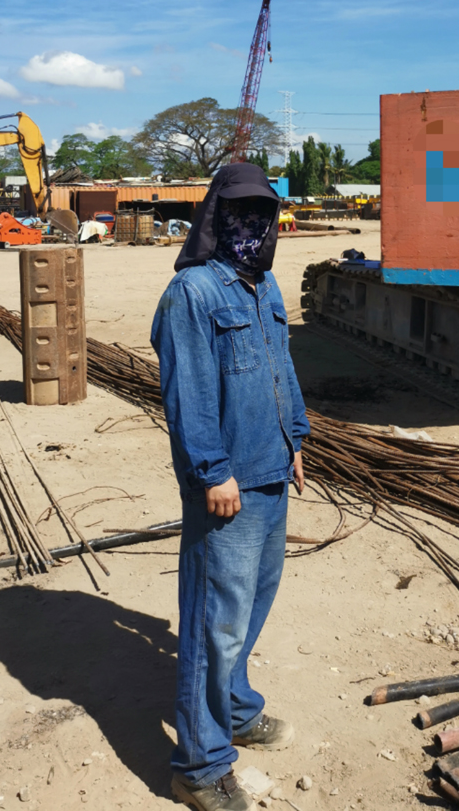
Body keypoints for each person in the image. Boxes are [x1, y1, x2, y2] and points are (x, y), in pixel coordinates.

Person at [151, 162, 309, 811]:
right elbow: (186, 392)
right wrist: (212, 471)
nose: (253, 226)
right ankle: (200, 766)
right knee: (213, 625)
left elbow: (281, 367)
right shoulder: (192, 292)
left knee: (249, 610)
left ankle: (237, 711)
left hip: (272, 472)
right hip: (227, 485)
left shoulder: (263, 285)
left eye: (263, 214)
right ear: (216, 217)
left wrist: (295, 440)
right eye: (240, 212)